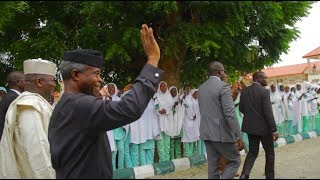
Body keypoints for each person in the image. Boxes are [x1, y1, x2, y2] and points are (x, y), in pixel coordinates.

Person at [48, 24, 163, 178]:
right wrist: (153, 59)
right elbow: (130, 108)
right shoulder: (80, 105)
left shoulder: (69, 104)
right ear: (76, 75)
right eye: (96, 74)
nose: (100, 80)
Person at [0, 59, 57, 178]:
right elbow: (37, 153)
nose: (54, 85)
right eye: (52, 80)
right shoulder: (29, 106)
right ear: (39, 82)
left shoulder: (35, 103)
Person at [198, 61, 244, 179]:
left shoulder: (201, 88)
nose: (225, 74)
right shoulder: (223, 86)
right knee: (234, 161)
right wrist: (238, 136)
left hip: (206, 132)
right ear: (220, 72)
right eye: (224, 72)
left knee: (213, 169)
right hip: (221, 133)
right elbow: (230, 113)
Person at [239, 71, 279, 179]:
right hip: (264, 129)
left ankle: (244, 174)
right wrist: (274, 130)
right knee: (270, 153)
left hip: (251, 128)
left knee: (252, 152)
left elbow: (241, 109)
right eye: (265, 78)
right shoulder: (264, 92)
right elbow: (268, 112)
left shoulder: (244, 91)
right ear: (258, 79)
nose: (267, 80)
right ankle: (269, 176)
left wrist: (252, 117)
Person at [106, 82, 132, 169]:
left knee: (121, 151)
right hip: (110, 130)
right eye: (109, 88)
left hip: (120, 129)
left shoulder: (119, 100)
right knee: (113, 152)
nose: (111, 90)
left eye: (112, 88)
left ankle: (120, 169)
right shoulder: (104, 100)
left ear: (115, 89)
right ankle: (113, 170)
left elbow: (123, 113)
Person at [0, 71, 25, 140]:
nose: (28, 83)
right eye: (25, 80)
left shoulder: (11, 96)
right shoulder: (14, 98)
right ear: (18, 83)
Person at [154, 81, 174, 162]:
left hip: (168, 121)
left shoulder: (169, 96)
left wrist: (166, 111)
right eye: (161, 86)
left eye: (165, 86)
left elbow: (171, 106)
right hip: (159, 120)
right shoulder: (156, 96)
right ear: (159, 87)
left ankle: (167, 160)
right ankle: (162, 161)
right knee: (160, 142)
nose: (163, 88)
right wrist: (159, 111)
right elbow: (155, 107)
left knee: (167, 143)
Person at [181, 89, 199, 157]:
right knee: (186, 139)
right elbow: (186, 108)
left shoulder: (193, 100)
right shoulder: (184, 100)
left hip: (193, 122)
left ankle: (191, 154)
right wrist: (192, 116)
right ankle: (187, 154)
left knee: (192, 139)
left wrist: (195, 116)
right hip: (186, 121)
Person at [169, 86, 184, 159]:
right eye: (172, 91)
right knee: (171, 144)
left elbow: (182, 111)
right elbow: (168, 112)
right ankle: (172, 158)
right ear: (170, 92)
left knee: (178, 144)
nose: (174, 92)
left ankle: (178, 158)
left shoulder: (179, 100)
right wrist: (173, 107)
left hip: (179, 125)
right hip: (171, 125)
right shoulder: (168, 100)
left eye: (175, 91)